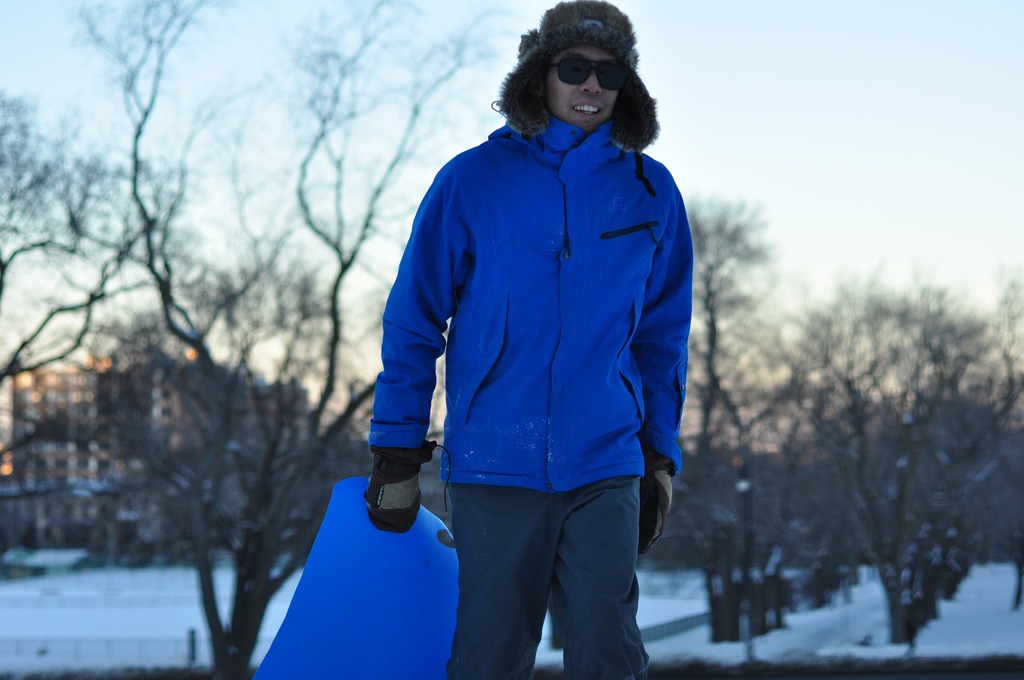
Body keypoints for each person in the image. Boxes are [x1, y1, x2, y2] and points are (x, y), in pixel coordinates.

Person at [364, 1, 693, 677]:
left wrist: (659, 453)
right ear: (540, 75)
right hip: (493, 460)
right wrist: (397, 452)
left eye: (609, 73)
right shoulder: (473, 181)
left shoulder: (650, 192)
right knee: (491, 650)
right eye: (575, 68)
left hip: (606, 459)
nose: (592, 86)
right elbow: (414, 316)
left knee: (608, 647)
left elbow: (663, 337)